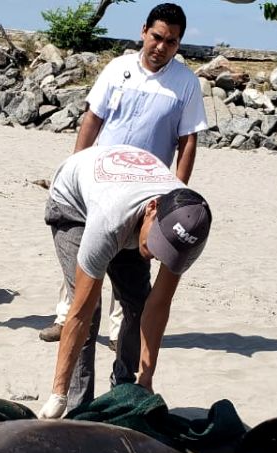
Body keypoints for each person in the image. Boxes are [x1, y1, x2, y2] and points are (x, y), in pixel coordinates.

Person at [38, 2, 208, 345]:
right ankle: (66, 317)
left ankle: (120, 332)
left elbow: (188, 141)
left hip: (146, 191)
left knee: (133, 259)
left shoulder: (186, 84)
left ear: (179, 44)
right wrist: (75, 165)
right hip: (98, 182)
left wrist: (177, 193)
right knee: (83, 250)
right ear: (144, 32)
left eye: (171, 42)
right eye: (157, 37)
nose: (161, 47)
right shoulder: (117, 69)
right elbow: (93, 119)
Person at [37, 145, 212, 419]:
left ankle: (124, 389)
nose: (155, 255)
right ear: (153, 209)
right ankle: (77, 409)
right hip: (73, 205)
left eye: (166, 252)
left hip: (126, 202)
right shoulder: (109, 221)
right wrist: (56, 393)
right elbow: (79, 315)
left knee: (138, 301)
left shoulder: (190, 230)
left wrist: (147, 378)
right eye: (157, 243)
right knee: (90, 309)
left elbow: (158, 304)